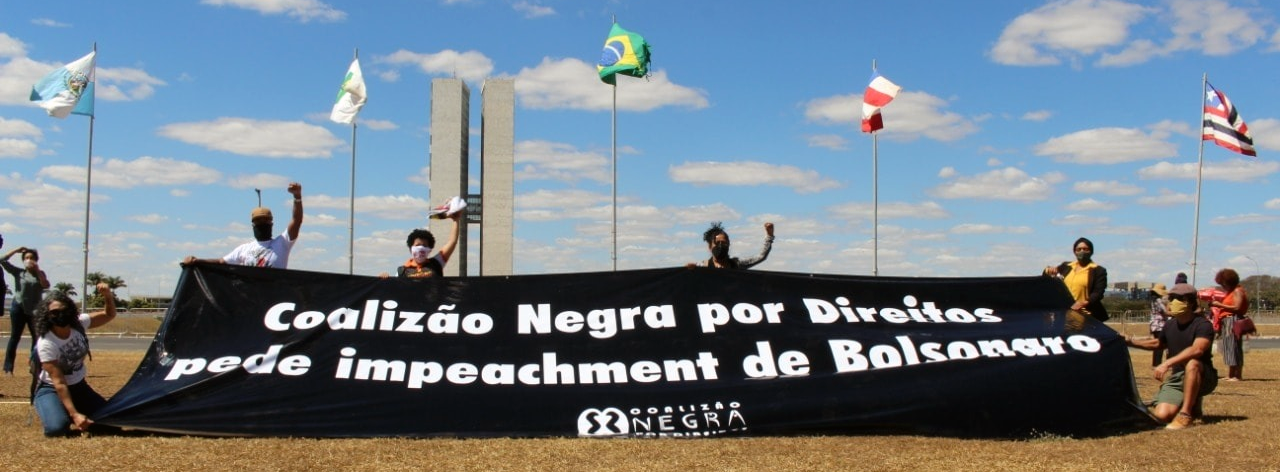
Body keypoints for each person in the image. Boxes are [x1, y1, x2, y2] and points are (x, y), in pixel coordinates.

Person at [1124, 282, 1216, 429]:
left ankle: (1185, 414)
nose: (1172, 302)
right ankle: (1192, 404)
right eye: (1171, 298)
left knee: (1193, 363)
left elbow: (1197, 350)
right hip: (1178, 377)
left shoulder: (1203, 325)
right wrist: (1130, 342)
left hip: (1204, 375)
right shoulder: (1170, 324)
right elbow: (1158, 344)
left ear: (1190, 302)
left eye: (1178, 298)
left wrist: (1167, 363)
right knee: (1161, 416)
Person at [33, 283, 117, 437]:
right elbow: (59, 383)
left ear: (71, 310)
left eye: (64, 310)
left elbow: (108, 315)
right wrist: (75, 414)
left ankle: (69, 410)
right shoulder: (46, 343)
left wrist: (108, 296)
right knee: (57, 429)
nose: (60, 315)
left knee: (112, 423)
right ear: (46, 315)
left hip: (79, 387)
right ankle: (57, 409)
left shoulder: (78, 324)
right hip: (51, 389)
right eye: (54, 312)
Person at [183, 182, 303, 268]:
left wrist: (297, 197)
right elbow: (221, 262)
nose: (262, 224)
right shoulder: (244, 249)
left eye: (265, 221)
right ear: (253, 225)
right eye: (258, 221)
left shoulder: (282, 243)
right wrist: (197, 261)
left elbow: (296, 221)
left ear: (271, 223)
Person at [2, 246, 51, 375]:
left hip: (35, 311)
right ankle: (8, 367)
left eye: (32, 258)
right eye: (27, 258)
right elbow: (2, 260)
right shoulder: (18, 272)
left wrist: (37, 270)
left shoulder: (41, 274)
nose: (29, 260)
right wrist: (16, 250)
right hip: (18, 308)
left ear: (36, 260)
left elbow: (45, 285)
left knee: (36, 338)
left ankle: (34, 365)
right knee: (15, 337)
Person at [1041, 237, 1109, 321]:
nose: (1082, 252)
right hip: (1064, 313)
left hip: (1086, 314)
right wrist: (1048, 270)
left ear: (1091, 251)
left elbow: (1098, 293)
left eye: (1085, 249)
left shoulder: (1098, 270)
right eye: (1079, 249)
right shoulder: (1066, 266)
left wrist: (1083, 303)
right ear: (1074, 251)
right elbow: (1047, 277)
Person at [1207, 268, 1248, 381]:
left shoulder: (1237, 291)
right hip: (1227, 320)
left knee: (1234, 347)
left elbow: (1237, 307)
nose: (1223, 286)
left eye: (1223, 284)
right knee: (1228, 347)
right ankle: (1230, 374)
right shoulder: (1230, 292)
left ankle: (1237, 375)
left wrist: (1219, 305)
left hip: (1233, 320)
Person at [395, 210, 463, 278]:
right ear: (410, 249)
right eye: (417, 245)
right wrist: (384, 278)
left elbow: (452, 242)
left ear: (430, 249)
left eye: (424, 245)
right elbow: (392, 286)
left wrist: (456, 220)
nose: (421, 248)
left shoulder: (436, 263)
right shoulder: (401, 271)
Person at [689, 222, 775, 269]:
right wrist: (688, 270)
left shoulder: (737, 264)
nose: (721, 246)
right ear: (710, 246)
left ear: (729, 244)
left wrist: (769, 236)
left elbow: (761, 256)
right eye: (717, 243)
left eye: (724, 243)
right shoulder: (702, 267)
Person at [1148, 283, 1170, 367]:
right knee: (1160, 344)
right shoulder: (1158, 300)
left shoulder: (1153, 300)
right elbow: (1165, 312)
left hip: (1154, 324)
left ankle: (1156, 363)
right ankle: (1157, 363)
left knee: (1157, 344)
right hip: (1159, 324)